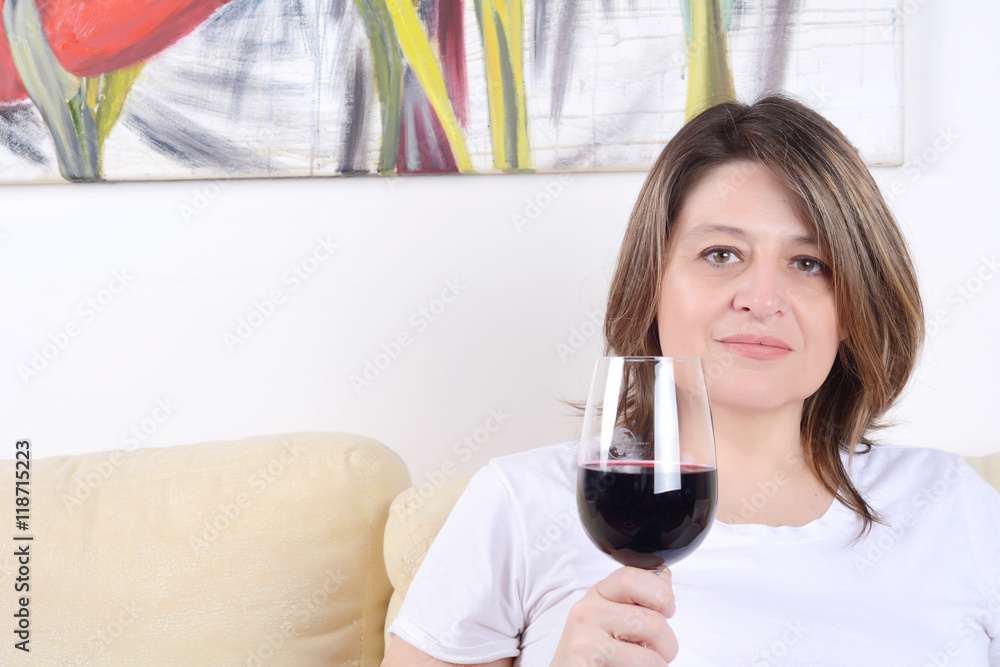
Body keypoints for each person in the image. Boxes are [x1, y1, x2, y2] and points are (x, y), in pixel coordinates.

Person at [381, 96, 1000, 666]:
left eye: (809, 264)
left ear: (853, 309)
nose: (762, 299)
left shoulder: (955, 504)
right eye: (721, 255)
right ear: (651, 283)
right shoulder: (519, 504)